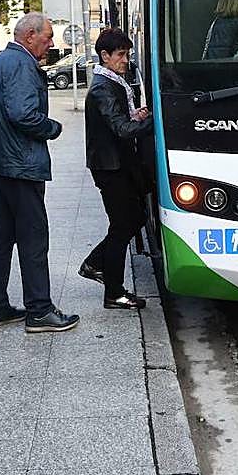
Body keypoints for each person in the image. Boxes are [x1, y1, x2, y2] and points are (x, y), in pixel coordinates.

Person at [0, 12, 78, 333]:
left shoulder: (2, 61)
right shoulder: (21, 64)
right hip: (20, 164)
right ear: (30, 35)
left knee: (2, 237)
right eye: (48, 37)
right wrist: (52, 127)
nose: (51, 44)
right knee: (33, 238)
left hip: (0, 163)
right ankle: (40, 310)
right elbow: (23, 114)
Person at [79, 29, 154, 309]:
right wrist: (156, 121)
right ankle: (114, 292)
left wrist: (136, 116)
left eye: (127, 54)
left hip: (117, 164)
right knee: (124, 225)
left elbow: (120, 120)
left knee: (132, 220)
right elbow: (121, 129)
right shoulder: (102, 87)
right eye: (121, 54)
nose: (126, 60)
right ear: (105, 56)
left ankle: (95, 264)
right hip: (111, 168)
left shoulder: (112, 82)